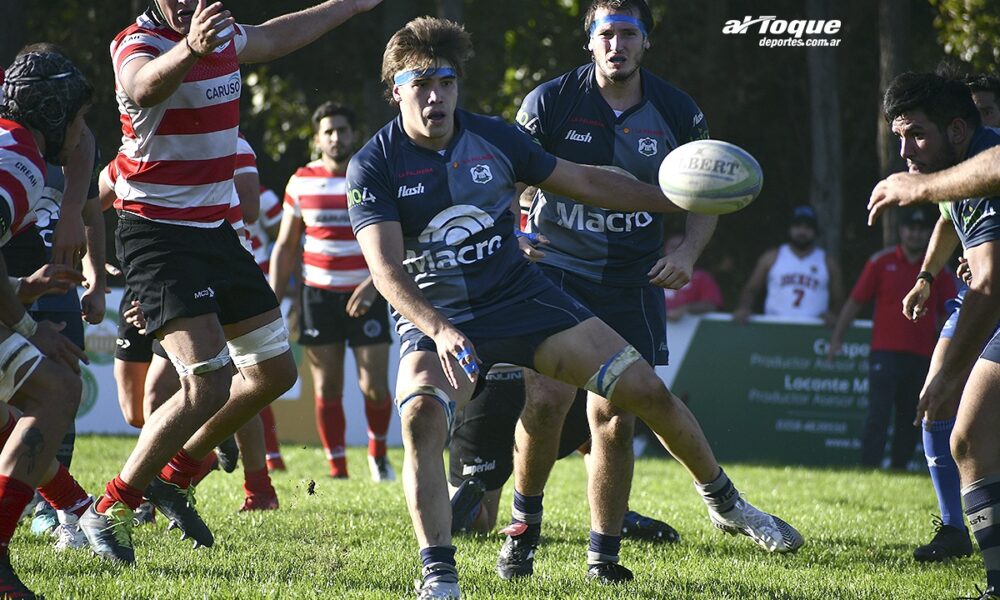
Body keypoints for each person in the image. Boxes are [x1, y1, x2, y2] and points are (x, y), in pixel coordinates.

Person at [347, 16, 802, 599]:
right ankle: (439, 574)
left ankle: (725, 504)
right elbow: (385, 270)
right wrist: (437, 329)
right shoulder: (374, 164)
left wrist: (677, 199)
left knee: (642, 392)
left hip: (522, 298)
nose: (435, 96)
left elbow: (585, 181)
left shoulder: (494, 138)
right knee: (421, 420)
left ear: (459, 85)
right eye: (419, 84)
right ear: (396, 91)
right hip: (442, 314)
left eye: (446, 81)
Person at [81, 0, 383, 566]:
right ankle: (109, 510)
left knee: (274, 372)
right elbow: (143, 88)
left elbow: (276, 35)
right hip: (157, 235)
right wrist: (192, 47)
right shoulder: (135, 42)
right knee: (208, 382)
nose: (190, 5)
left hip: (215, 232)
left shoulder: (223, 34)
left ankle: (175, 476)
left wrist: (351, 5)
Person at [500, 0, 719, 581]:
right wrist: (512, 235)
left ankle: (605, 555)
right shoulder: (549, 101)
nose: (616, 45)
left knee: (615, 419)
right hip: (555, 273)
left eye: (628, 34)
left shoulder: (676, 110)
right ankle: (523, 531)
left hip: (633, 280)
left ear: (646, 42)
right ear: (589, 42)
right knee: (547, 403)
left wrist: (686, 252)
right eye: (606, 34)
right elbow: (503, 175)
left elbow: (709, 194)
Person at [868, 71, 1000, 598]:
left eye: (916, 135)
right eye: (898, 137)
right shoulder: (958, 169)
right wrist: (928, 275)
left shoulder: (981, 165)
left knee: (962, 427)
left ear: (959, 130)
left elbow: (990, 282)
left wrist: (948, 373)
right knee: (966, 438)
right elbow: (955, 222)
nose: (905, 151)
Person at [0, 49, 97, 597]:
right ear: (54, 114)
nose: (83, 134)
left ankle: (74, 505)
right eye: (78, 119)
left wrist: (20, 291)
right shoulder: (19, 162)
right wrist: (28, 324)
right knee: (57, 390)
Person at [271, 102, 395, 482]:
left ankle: (378, 455)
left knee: (373, 386)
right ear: (318, 138)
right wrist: (272, 302)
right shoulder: (301, 181)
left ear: (354, 134)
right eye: (328, 131)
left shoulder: (374, 174)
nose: (336, 137)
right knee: (328, 387)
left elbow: (397, 239)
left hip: (368, 293)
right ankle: (337, 467)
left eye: (342, 130)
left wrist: (376, 283)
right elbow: (286, 246)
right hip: (318, 296)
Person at [448, 369, 679, 543]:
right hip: (546, 379)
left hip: (488, 386)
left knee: (481, 518)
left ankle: (468, 508)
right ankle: (617, 516)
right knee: (595, 440)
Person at [828, 206, 955, 471]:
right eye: (911, 228)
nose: (915, 234)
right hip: (884, 352)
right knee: (878, 414)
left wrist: (948, 355)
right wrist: (837, 338)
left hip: (921, 354)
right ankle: (868, 468)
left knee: (909, 416)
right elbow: (855, 302)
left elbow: (948, 316)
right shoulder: (881, 262)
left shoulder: (938, 271)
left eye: (922, 230)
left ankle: (899, 468)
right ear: (901, 231)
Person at [733, 205, 844, 325]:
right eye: (797, 226)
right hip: (775, 327)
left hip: (814, 329)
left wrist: (834, 313)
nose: (802, 231)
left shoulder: (828, 262)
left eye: (807, 227)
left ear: (815, 231)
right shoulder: (771, 257)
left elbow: (839, 299)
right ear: (789, 229)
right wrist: (744, 307)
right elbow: (751, 290)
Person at [663, 232, 723, 321]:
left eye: (680, 247)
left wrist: (685, 309)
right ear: (665, 249)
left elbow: (711, 304)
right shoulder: (651, 273)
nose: (676, 251)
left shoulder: (701, 277)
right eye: (672, 247)